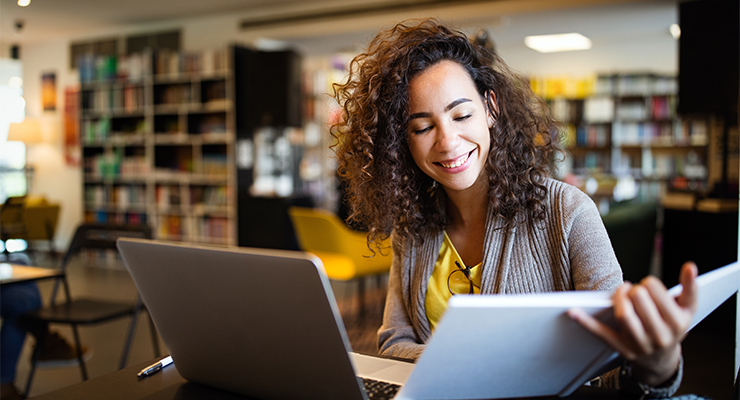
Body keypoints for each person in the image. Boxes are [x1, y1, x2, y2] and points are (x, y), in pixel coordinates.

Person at [331, 19, 697, 398]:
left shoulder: (568, 211)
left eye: (461, 115)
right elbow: (392, 343)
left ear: (490, 108)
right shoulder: (413, 226)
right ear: (401, 140)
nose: (448, 142)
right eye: (422, 127)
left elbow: (613, 368)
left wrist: (658, 365)